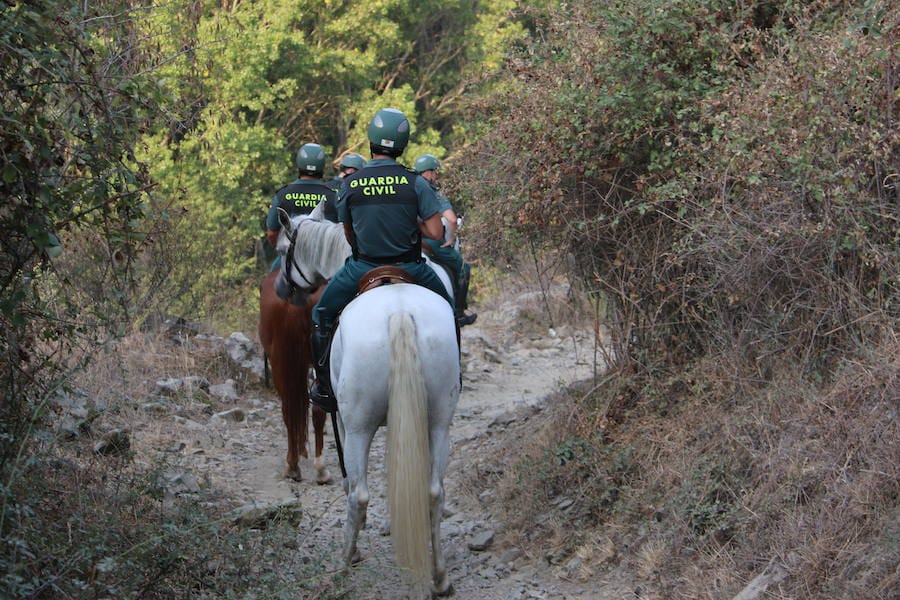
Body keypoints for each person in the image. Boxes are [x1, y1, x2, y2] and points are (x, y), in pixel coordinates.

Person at [308, 108, 454, 410]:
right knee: (448, 311)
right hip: (411, 267)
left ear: (371, 141)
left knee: (322, 313)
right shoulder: (417, 183)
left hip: (363, 267)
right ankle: (454, 377)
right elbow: (437, 233)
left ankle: (324, 387)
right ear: (402, 144)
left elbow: (349, 234)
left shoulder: (350, 183)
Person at [413, 153, 477, 327]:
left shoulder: (407, 187)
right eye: (435, 172)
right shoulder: (433, 192)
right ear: (429, 173)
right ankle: (459, 313)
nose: (437, 176)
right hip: (430, 242)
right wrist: (450, 238)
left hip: (407, 242)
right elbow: (451, 219)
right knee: (464, 269)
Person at [264, 143, 338, 270]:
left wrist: (284, 249)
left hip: (290, 257)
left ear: (299, 164)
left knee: (270, 283)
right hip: (325, 261)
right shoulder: (333, 196)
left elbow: (271, 234)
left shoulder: (283, 194)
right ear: (322, 166)